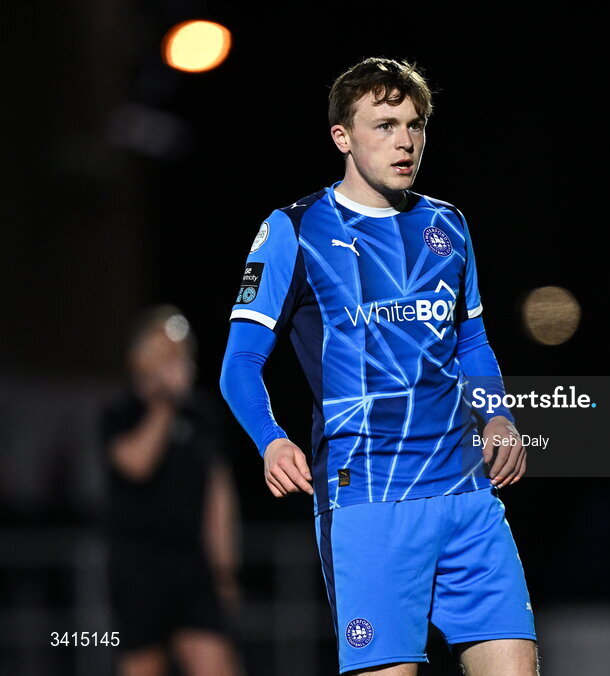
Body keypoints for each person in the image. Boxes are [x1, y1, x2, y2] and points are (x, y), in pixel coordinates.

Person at [220, 57, 538, 675]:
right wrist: (271, 440)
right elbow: (239, 364)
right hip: (369, 499)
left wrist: (498, 417)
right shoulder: (294, 230)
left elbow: (471, 343)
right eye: (385, 125)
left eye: (415, 126)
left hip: (467, 494)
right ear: (343, 137)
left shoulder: (448, 224)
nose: (406, 142)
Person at [101, 305, 243, 676]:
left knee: (217, 664)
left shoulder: (202, 415)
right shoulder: (120, 410)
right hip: (139, 569)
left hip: (193, 568)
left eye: (178, 354)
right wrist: (164, 402)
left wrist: (225, 567)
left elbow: (219, 495)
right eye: (162, 353)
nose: (173, 361)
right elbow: (135, 464)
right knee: (142, 666)